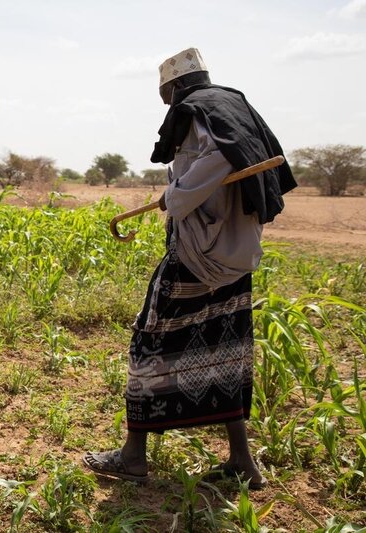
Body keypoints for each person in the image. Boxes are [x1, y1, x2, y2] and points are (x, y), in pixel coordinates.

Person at [82, 47, 296, 488]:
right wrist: (181, 191)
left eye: (165, 96)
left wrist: (178, 194)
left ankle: (133, 457)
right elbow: (227, 157)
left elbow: (217, 158)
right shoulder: (233, 104)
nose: (168, 105)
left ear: (176, 86)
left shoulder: (198, 108)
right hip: (236, 252)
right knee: (226, 347)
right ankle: (242, 462)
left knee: (148, 338)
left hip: (199, 252)